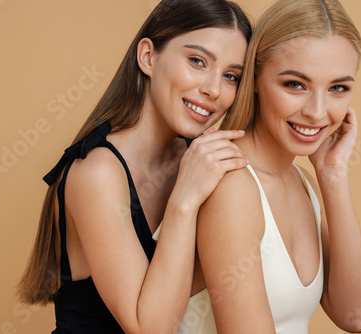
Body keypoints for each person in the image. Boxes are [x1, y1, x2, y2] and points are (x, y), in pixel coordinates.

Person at [194, 0, 361, 333]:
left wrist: (333, 175)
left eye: (338, 88)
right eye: (295, 84)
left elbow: (357, 316)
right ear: (254, 79)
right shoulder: (231, 184)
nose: (317, 111)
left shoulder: (300, 182)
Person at [16, 0, 252, 333]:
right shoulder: (97, 173)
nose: (214, 89)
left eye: (231, 76)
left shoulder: (197, 161)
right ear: (148, 57)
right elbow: (150, 328)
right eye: (197, 61)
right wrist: (184, 202)